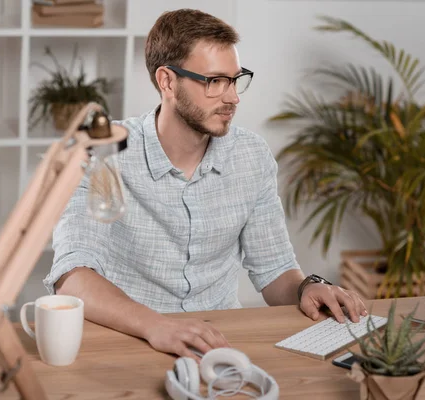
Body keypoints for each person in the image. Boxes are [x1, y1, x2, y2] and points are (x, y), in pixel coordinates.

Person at [44, 8, 368, 362]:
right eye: (214, 82)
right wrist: (158, 326)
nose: (233, 98)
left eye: (235, 79)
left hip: (219, 344)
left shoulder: (251, 155)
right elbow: (72, 276)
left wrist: (307, 288)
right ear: (167, 81)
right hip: (129, 340)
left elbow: (274, 269)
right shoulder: (105, 151)